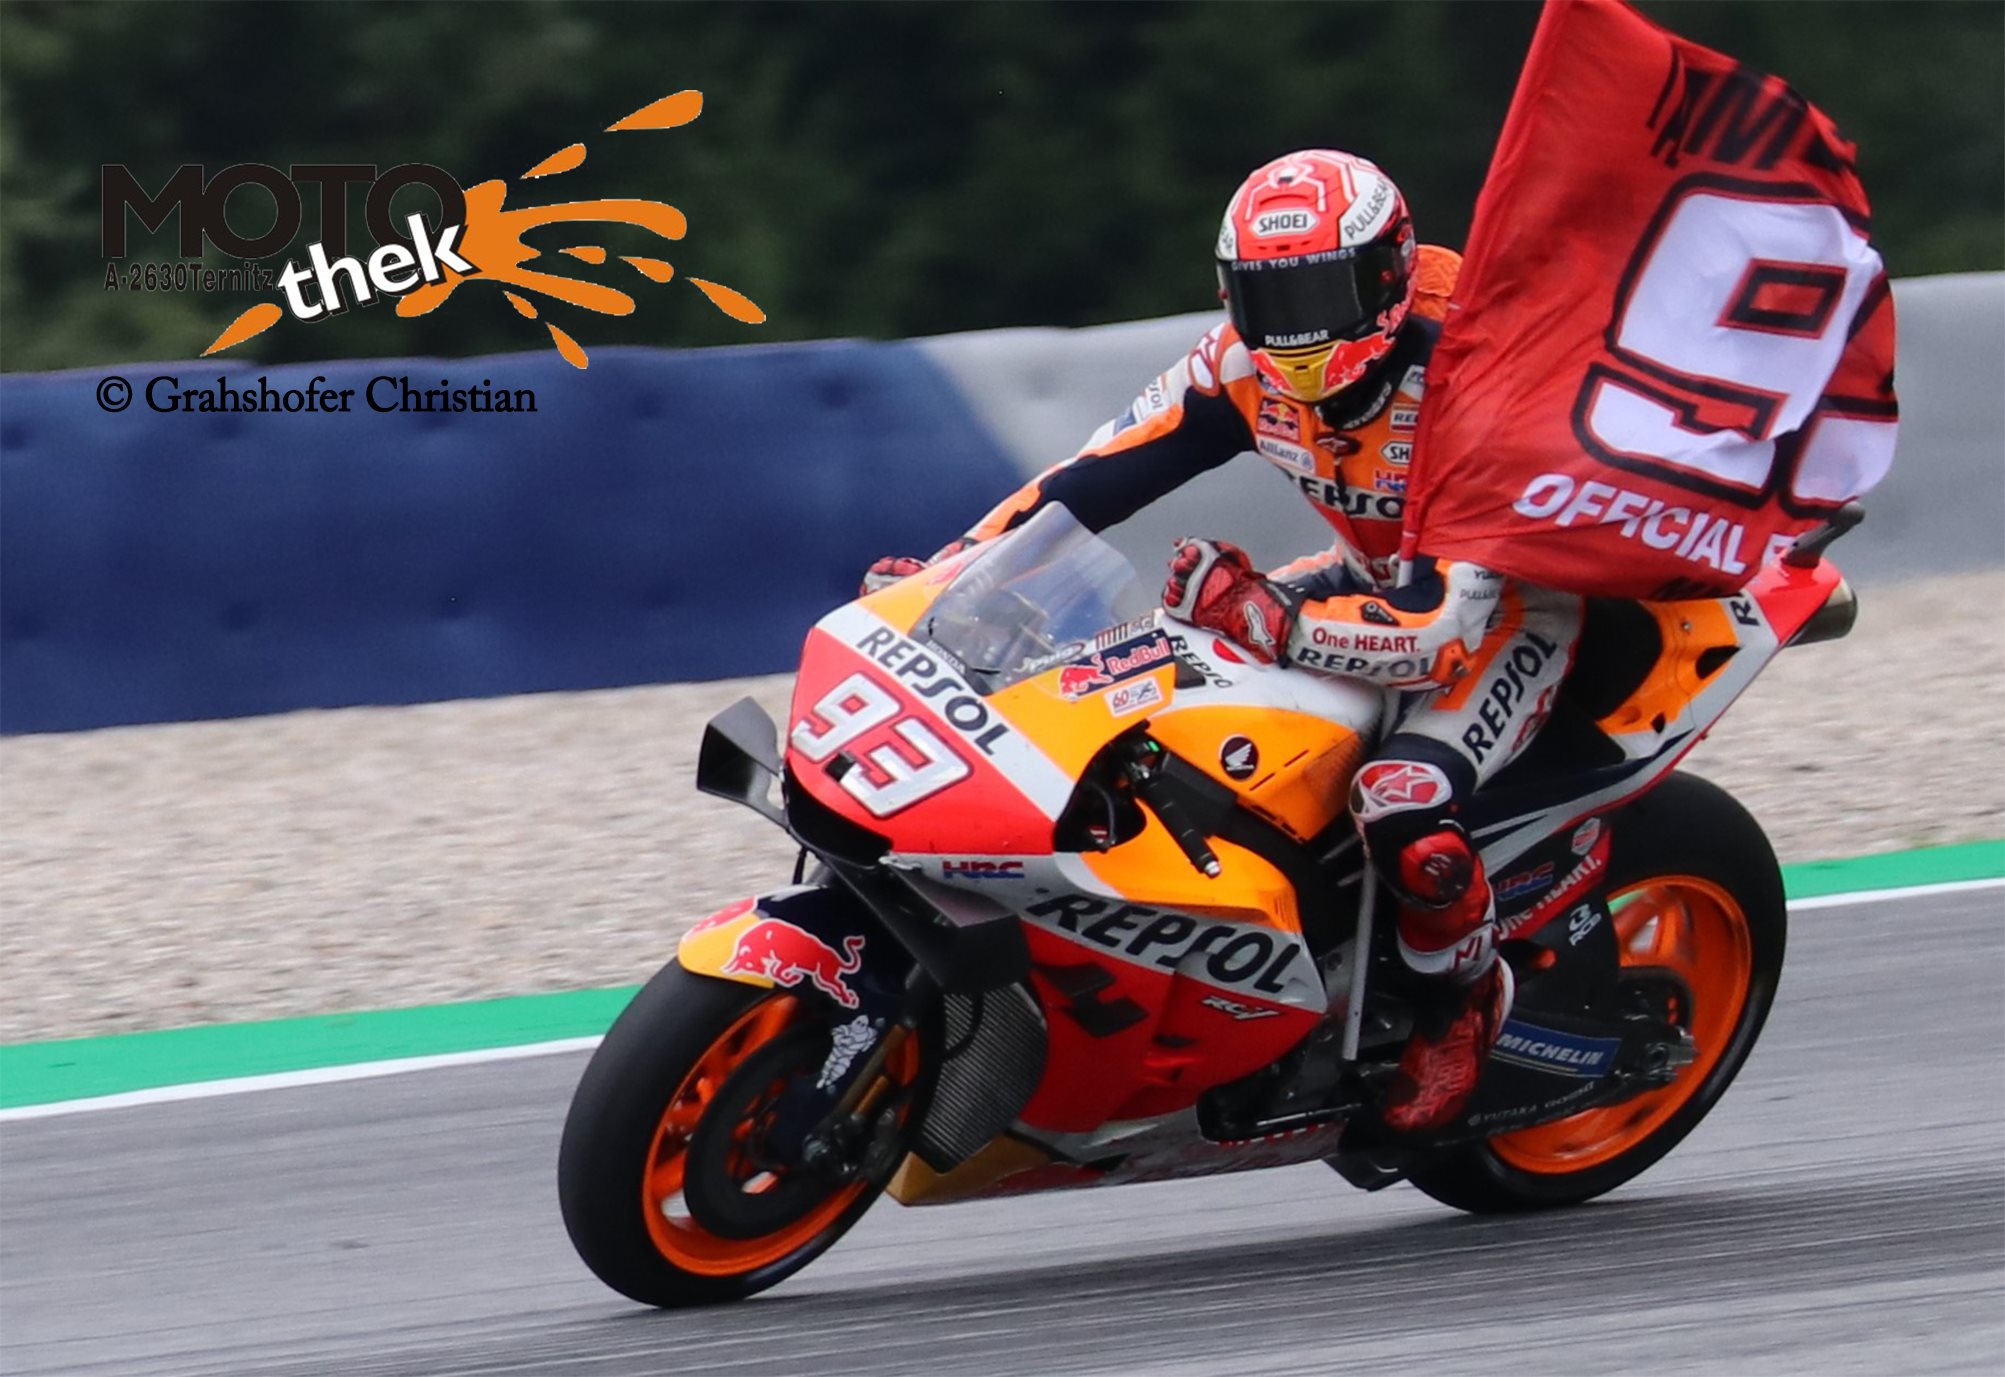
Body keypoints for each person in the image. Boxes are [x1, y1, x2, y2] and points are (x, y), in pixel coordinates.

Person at [863, 149, 1581, 1133]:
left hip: (1510, 611)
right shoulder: (1239, 365)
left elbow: (1440, 632)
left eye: (1318, 294)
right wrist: (951, 575)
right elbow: (1089, 478)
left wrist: (1267, 619)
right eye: (1266, 298)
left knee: (1401, 800)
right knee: (1138, 686)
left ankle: (1462, 1000)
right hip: (1366, 574)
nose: (1294, 330)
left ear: (1387, 274)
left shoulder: (1470, 375)